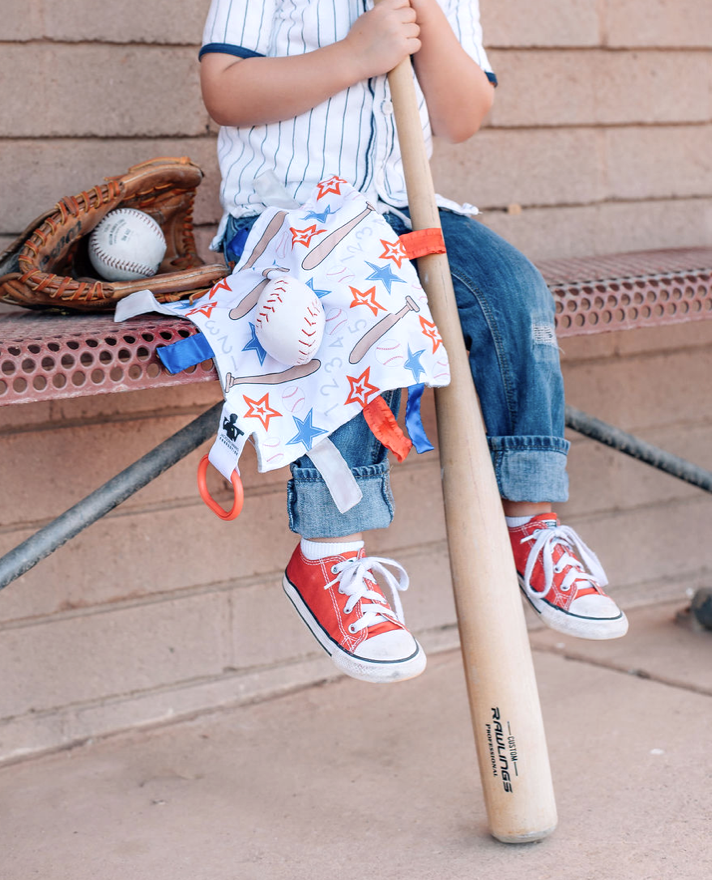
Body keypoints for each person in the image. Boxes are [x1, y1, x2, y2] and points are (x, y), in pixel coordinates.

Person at [198, 0, 628, 685]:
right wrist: (355, 56)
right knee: (362, 299)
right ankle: (329, 551)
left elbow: (463, 116)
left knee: (512, 292)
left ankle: (530, 518)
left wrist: (425, 11)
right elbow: (224, 90)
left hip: (406, 212)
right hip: (289, 218)